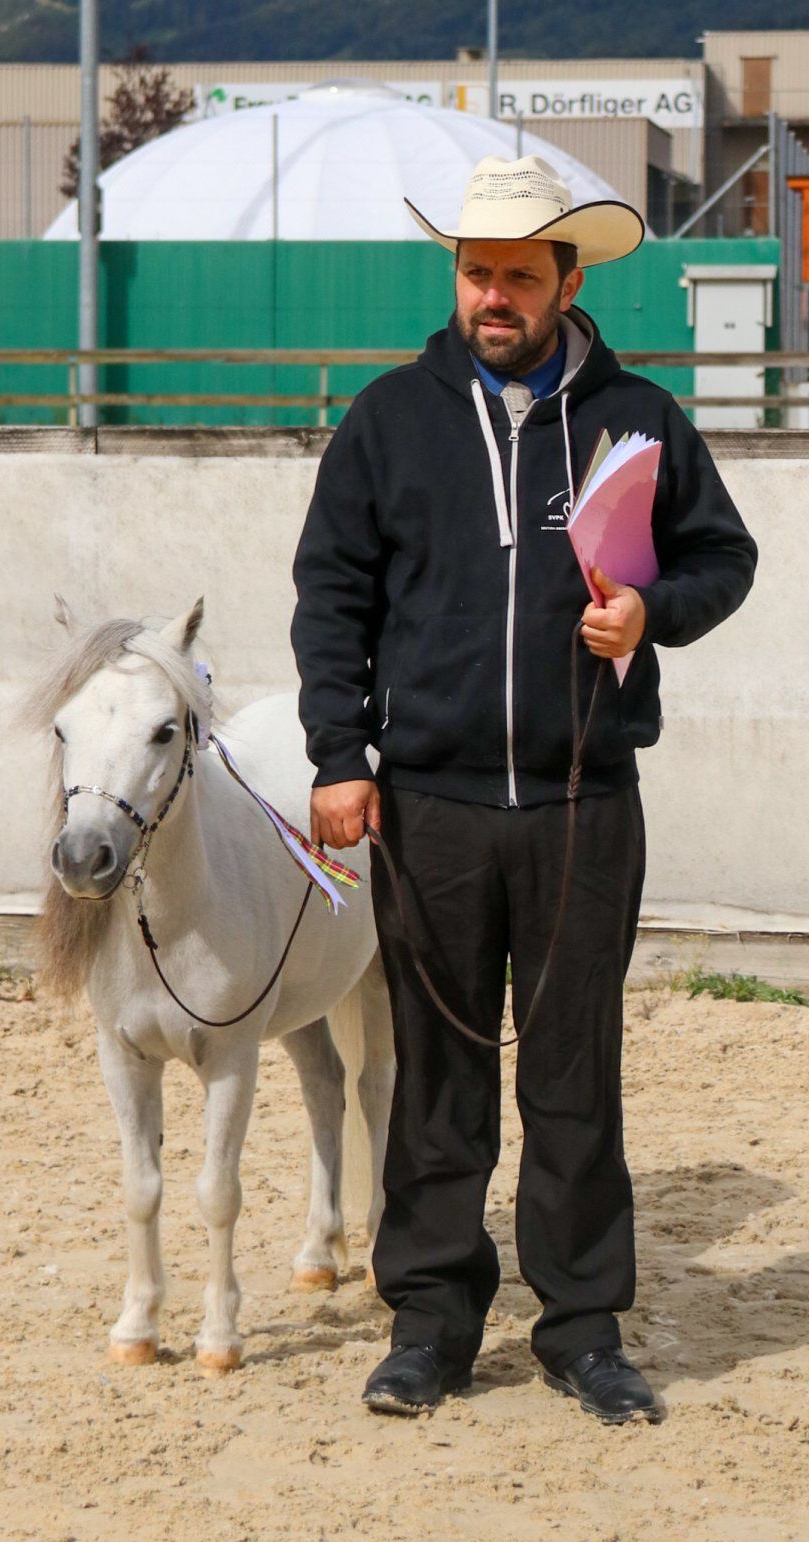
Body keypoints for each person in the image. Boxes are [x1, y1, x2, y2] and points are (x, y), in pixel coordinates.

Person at [289, 154, 757, 1424]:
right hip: (427, 800)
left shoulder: (642, 419)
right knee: (435, 1073)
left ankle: (582, 1327)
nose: (491, 296)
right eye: (474, 272)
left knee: (571, 1069)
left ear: (568, 278)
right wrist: (339, 757)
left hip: (580, 799)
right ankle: (431, 1326)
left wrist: (650, 615)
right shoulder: (387, 421)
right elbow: (331, 596)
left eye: (516, 275)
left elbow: (726, 558)